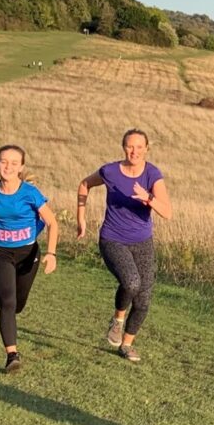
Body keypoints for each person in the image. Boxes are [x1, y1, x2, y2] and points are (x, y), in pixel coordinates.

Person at [77, 128, 172, 362]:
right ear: (123, 147)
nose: (134, 151)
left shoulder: (152, 174)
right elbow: (84, 185)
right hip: (113, 239)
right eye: (130, 146)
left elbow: (167, 212)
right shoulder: (110, 171)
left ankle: (126, 345)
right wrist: (81, 218)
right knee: (131, 283)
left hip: (143, 243)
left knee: (143, 301)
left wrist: (148, 198)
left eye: (140, 147)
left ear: (147, 149)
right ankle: (118, 320)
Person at [0, 145, 58, 373]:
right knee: (9, 303)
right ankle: (12, 355)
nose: (7, 167)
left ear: (21, 167)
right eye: (3, 161)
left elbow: (52, 223)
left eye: (14, 163)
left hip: (28, 254)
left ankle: (0, 293)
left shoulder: (30, 193)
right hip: (2, 253)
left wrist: (51, 253)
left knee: (18, 304)